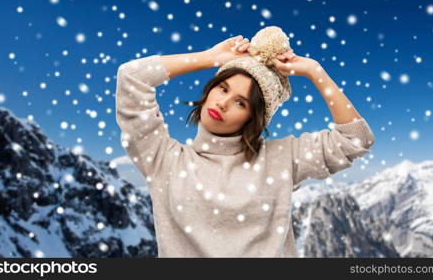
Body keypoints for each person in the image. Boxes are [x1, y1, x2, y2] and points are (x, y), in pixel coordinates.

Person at [115, 26, 375, 257]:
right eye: (223, 88)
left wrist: (314, 71)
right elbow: (131, 77)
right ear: (210, 90)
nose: (223, 102)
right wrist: (210, 58)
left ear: (253, 119)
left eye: (241, 102)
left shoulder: (280, 159)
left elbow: (356, 139)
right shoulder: (164, 159)